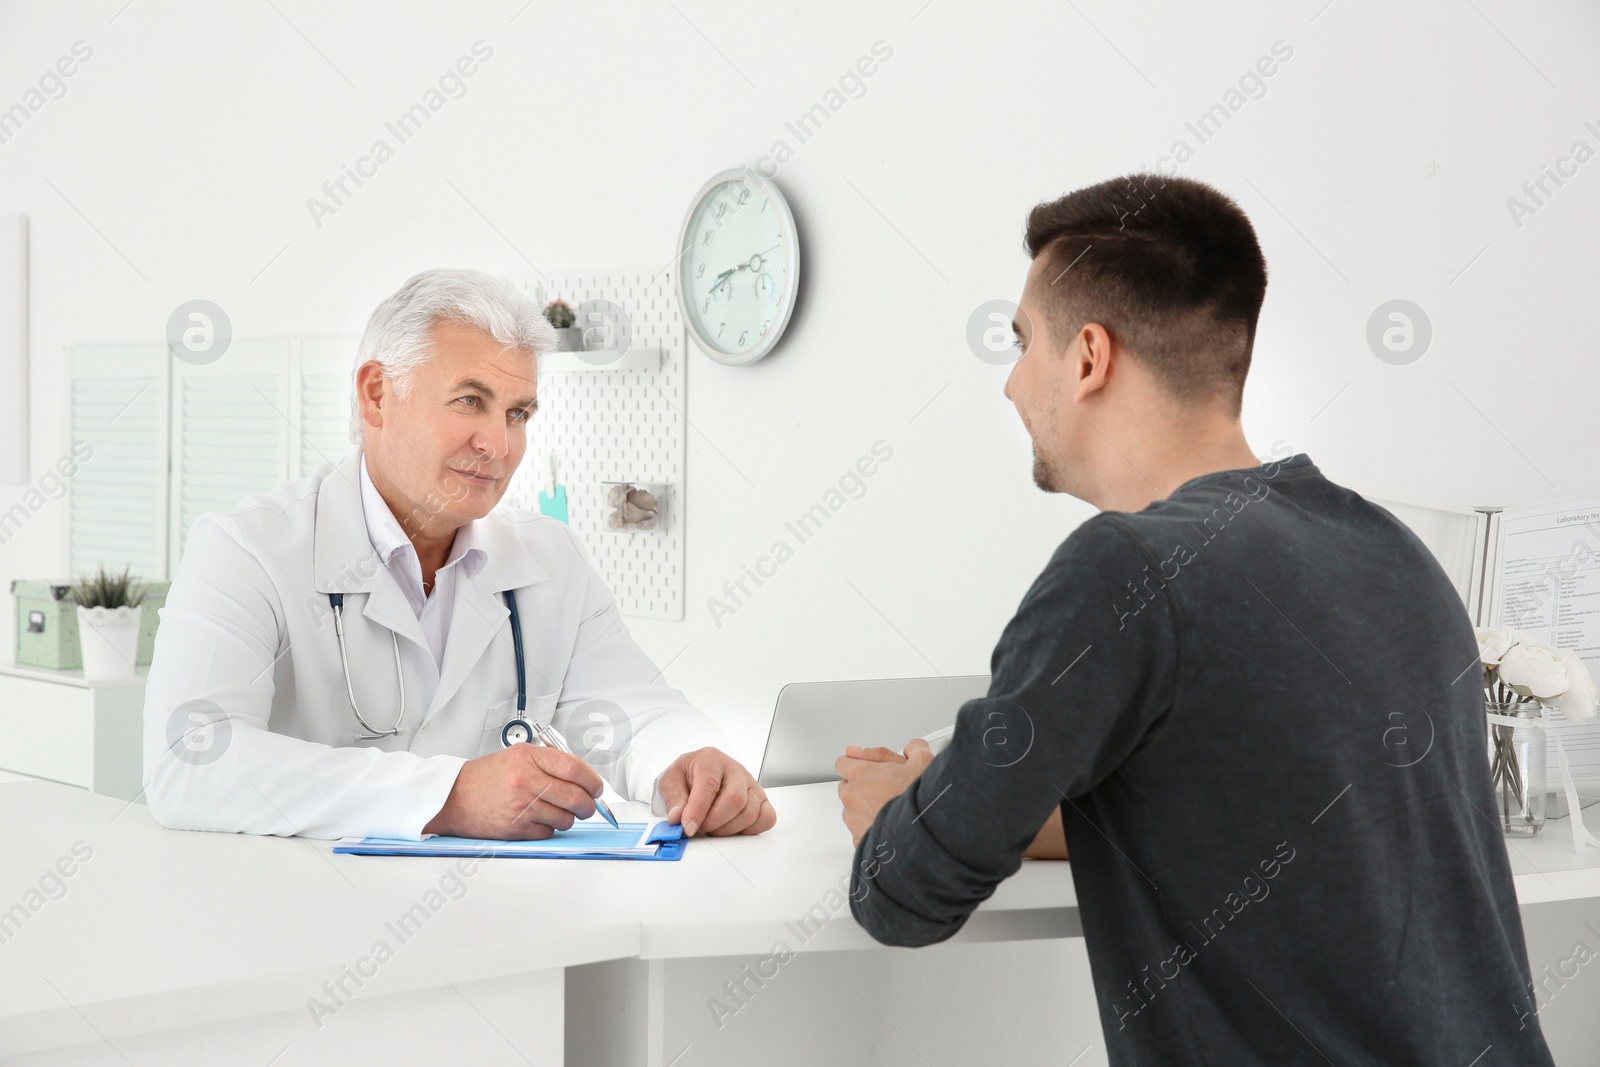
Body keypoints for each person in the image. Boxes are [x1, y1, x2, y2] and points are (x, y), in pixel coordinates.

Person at [835, 175, 1553, 1064]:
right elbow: (1242, 800)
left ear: (1090, 356)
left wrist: (891, 813)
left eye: (1023, 343)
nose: (1013, 384)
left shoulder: (1125, 570)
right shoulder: (1392, 553)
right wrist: (991, 796)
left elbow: (906, 895)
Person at [143, 268, 775, 843]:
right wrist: (445, 796)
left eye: (518, 413)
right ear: (376, 396)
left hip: (498, 927)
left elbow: (632, 709)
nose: (498, 444)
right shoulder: (246, 550)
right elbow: (189, 760)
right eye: (470, 401)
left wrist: (691, 760)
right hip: (302, 926)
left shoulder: (549, 559)